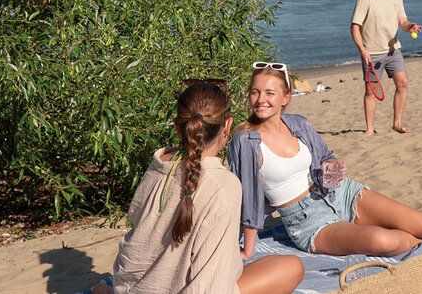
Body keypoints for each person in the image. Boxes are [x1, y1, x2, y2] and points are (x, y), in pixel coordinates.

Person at [229, 65, 422, 258]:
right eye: (255, 92)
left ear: (285, 98)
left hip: (340, 194)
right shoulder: (246, 140)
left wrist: (332, 167)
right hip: (307, 223)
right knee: (385, 242)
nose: (260, 100)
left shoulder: (299, 124)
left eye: (269, 93)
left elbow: (326, 158)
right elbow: (249, 199)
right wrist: (247, 250)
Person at [105, 79, 303, 294]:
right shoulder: (223, 185)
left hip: (131, 286)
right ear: (227, 125)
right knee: (291, 267)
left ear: (176, 125)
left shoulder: (159, 163)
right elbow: (211, 284)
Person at [350, 0, 422, 135]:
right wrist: (362, 50)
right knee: (370, 91)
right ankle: (369, 129)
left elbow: (402, 22)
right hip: (371, 53)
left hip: (393, 50)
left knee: (403, 83)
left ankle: (397, 123)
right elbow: (354, 27)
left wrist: (410, 26)